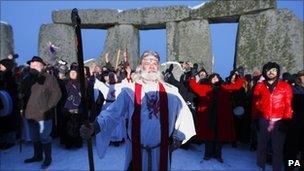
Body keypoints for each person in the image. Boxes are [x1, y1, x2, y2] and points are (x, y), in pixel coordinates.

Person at [80, 50, 196, 171]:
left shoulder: (171, 92)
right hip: (136, 152)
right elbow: (112, 113)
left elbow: (184, 115)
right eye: (147, 62)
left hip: (161, 153)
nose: (151, 66)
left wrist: (178, 138)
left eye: (155, 62)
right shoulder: (130, 91)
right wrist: (95, 126)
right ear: (140, 66)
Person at [188, 71, 245, 163]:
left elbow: (237, 86)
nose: (215, 79)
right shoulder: (205, 88)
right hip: (208, 116)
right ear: (210, 79)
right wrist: (193, 76)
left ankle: (218, 155)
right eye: (213, 77)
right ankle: (207, 154)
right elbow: (193, 86)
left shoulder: (225, 88)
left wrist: (239, 76)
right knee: (208, 136)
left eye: (217, 77)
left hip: (221, 116)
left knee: (219, 136)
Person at [20, 56, 61, 169]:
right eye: (31, 64)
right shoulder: (26, 78)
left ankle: (47, 158)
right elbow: (23, 95)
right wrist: (22, 108)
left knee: (44, 136)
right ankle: (37, 156)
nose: (32, 65)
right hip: (30, 113)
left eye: (35, 64)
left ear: (42, 66)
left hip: (44, 114)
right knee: (34, 137)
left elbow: (56, 94)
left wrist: (47, 107)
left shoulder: (49, 78)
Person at [252, 62, 293, 171]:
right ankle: (261, 167)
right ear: (265, 72)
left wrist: (286, 121)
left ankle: (277, 168)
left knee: (277, 149)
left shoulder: (285, 86)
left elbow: (288, 105)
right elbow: (255, 104)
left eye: (274, 70)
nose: (271, 72)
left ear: (278, 72)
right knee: (261, 147)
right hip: (263, 119)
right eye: (268, 70)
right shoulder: (259, 86)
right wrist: (255, 119)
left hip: (279, 120)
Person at [283, 70, 304, 171]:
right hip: (295, 124)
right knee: (292, 149)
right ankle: (290, 166)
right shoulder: (293, 89)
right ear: (299, 78)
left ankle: (298, 165)